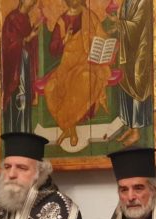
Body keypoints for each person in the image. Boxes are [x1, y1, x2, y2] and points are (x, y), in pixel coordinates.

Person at [44, 0, 112, 147]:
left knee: (84, 80)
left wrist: (104, 43)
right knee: (50, 87)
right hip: (67, 65)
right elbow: (53, 49)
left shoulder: (89, 16)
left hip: (88, 63)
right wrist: (65, 40)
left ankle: (69, 129)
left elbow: (102, 35)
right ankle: (70, 128)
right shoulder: (62, 21)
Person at [105, 0, 153, 147]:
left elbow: (137, 26)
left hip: (140, 51)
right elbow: (125, 23)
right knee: (125, 83)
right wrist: (115, 27)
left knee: (137, 85)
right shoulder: (126, 2)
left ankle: (137, 131)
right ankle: (131, 127)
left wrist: (118, 22)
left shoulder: (143, 2)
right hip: (127, 51)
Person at [2, 0, 41, 133]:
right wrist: (28, 38)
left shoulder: (26, 18)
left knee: (24, 101)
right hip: (16, 70)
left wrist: (32, 35)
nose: (33, 2)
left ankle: (24, 133)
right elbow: (8, 45)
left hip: (25, 66)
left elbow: (28, 44)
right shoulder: (12, 19)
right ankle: (15, 134)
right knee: (18, 101)